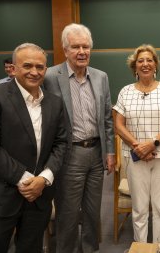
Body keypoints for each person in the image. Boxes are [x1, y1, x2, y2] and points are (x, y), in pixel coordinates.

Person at [0, 43, 67, 253]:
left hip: (38, 198)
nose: (34, 72)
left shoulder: (55, 103)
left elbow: (61, 143)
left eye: (40, 67)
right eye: (27, 66)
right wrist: (26, 180)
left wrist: (44, 178)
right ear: (13, 68)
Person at [43, 23, 115, 253]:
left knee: (93, 211)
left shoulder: (101, 77)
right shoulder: (51, 76)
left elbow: (107, 118)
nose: (82, 51)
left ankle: (90, 249)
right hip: (68, 154)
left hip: (96, 153)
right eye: (76, 47)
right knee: (68, 212)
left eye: (86, 46)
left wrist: (110, 151)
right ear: (65, 50)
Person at [113, 44, 160, 242]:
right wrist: (138, 147)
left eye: (149, 60)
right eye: (140, 61)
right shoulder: (126, 92)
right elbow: (119, 124)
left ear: (155, 65)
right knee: (139, 209)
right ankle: (141, 247)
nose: (145, 64)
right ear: (135, 66)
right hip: (135, 157)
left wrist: (152, 144)